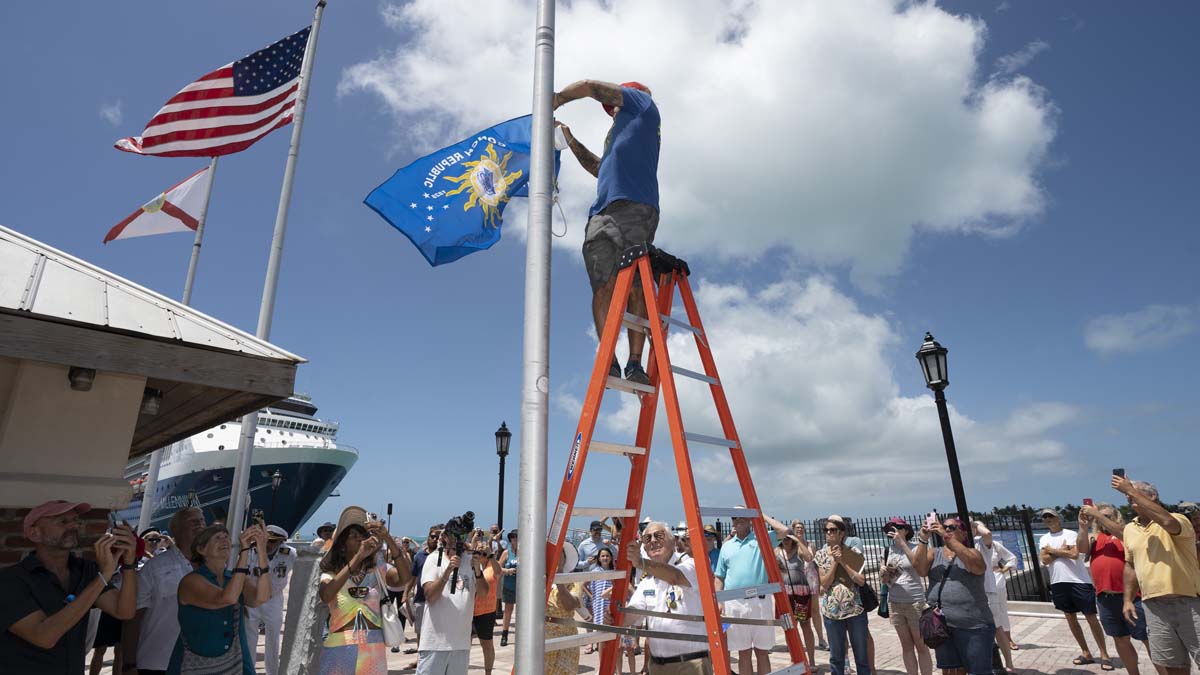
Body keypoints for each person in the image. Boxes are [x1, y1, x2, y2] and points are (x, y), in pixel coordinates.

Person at [553, 79, 661, 385]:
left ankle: (635, 363)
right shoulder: (618, 134)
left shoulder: (644, 106)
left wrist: (557, 98)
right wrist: (570, 140)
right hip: (602, 212)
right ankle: (608, 359)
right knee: (603, 285)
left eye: (614, 103)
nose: (611, 109)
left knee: (636, 286)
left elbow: (589, 85)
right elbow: (599, 169)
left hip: (635, 208)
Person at [0, 500, 138, 674]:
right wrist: (103, 577)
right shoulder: (10, 581)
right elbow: (44, 636)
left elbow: (124, 611)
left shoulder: (85, 571)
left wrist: (129, 562)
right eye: (63, 521)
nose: (73, 526)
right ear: (35, 534)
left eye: (76, 520)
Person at [1114, 475, 1200, 674]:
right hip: (1154, 606)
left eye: (1134, 495)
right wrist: (1127, 600)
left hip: (1189, 603)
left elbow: (1167, 522)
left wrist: (1130, 489)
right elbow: (1130, 565)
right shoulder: (1129, 529)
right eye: (1128, 498)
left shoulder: (1179, 520)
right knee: (1172, 665)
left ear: (1153, 496)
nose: (1131, 499)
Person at [167, 523, 270, 673]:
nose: (224, 541)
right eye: (217, 538)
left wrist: (261, 551)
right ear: (201, 549)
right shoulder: (191, 581)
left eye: (226, 537)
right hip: (195, 666)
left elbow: (260, 598)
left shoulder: (234, 578)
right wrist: (245, 552)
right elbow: (226, 598)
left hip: (236, 664)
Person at [1078, 503, 1162, 675]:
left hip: (1133, 597)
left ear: (1117, 516)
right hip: (1106, 598)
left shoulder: (1129, 531)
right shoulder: (1096, 538)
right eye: (1101, 516)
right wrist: (1083, 527)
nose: (1103, 519)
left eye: (1108, 516)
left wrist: (1098, 515)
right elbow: (1081, 549)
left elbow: (1122, 534)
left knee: (1148, 639)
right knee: (1120, 639)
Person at [623, 522, 713, 674]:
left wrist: (640, 562)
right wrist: (613, 617)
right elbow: (631, 615)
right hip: (658, 667)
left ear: (673, 541)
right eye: (647, 538)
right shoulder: (647, 581)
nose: (653, 541)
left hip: (691, 664)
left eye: (659, 535)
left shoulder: (693, 564)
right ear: (644, 547)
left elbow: (675, 576)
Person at [126, 506, 206, 675]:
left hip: (201, 663)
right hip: (158, 662)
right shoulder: (155, 567)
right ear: (176, 530)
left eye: (202, 520)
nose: (200, 524)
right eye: (193, 521)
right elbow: (133, 618)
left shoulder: (214, 567)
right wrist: (128, 663)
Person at [912, 517, 994, 675]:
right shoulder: (934, 553)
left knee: (980, 671)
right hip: (942, 625)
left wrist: (945, 536)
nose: (947, 529)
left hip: (974, 626)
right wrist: (923, 539)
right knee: (951, 670)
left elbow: (976, 567)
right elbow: (920, 570)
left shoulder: (973, 553)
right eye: (945, 527)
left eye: (952, 527)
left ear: (964, 534)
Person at [316, 507, 392, 675]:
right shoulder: (330, 575)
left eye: (363, 536)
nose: (360, 540)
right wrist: (359, 556)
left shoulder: (377, 570)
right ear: (342, 545)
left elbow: (404, 578)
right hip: (339, 646)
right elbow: (326, 595)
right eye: (354, 536)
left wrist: (387, 538)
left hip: (373, 647)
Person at [714, 512, 792, 675]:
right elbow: (719, 577)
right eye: (734, 516)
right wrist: (719, 602)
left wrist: (759, 514)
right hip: (734, 604)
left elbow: (785, 530)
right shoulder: (727, 546)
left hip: (760, 602)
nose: (738, 519)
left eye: (742, 515)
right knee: (743, 653)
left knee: (762, 652)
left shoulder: (762, 539)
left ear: (749, 518)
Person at [1037, 507, 1111, 667]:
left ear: (1059, 518)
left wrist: (1052, 551)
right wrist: (1061, 551)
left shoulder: (1070, 534)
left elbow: (1074, 554)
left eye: (1051, 516)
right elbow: (1044, 560)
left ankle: (1104, 654)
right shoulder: (1043, 539)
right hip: (1058, 582)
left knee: (1091, 617)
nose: (1048, 519)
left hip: (1079, 581)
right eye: (1045, 517)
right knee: (1070, 617)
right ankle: (1086, 652)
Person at [417, 524, 486, 675]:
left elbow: (483, 592)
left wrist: (478, 572)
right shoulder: (433, 559)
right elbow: (429, 595)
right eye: (454, 536)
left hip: (461, 644)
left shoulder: (470, 561)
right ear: (445, 538)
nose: (457, 540)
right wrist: (447, 571)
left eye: (461, 536)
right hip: (435, 644)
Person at [815, 514, 871, 675]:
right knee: (836, 658)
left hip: (855, 611)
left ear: (841, 534)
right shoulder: (820, 554)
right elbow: (824, 584)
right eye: (826, 530)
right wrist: (834, 562)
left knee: (862, 657)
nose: (828, 533)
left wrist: (843, 562)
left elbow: (861, 581)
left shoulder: (853, 552)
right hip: (832, 613)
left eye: (832, 530)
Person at [882, 518, 933, 675]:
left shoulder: (917, 547)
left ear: (905, 530)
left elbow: (919, 568)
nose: (894, 529)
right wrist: (884, 574)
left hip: (914, 601)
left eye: (897, 527)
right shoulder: (887, 550)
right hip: (895, 602)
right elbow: (885, 580)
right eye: (891, 527)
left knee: (921, 645)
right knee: (906, 645)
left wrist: (902, 543)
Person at [247, 525, 297, 675]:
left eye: (273, 542)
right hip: (253, 599)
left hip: (273, 600)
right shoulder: (250, 552)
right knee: (250, 638)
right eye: (266, 541)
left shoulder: (289, 554)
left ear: (281, 541)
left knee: (273, 639)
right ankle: (249, 671)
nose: (269, 545)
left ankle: (273, 672)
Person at [777, 521, 817, 667]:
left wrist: (797, 540)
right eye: (784, 538)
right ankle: (795, 659)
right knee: (789, 627)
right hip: (786, 595)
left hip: (801, 595)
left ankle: (811, 661)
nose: (786, 541)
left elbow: (808, 558)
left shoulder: (798, 550)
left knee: (805, 626)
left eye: (789, 538)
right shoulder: (777, 551)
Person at [545, 545, 582, 675]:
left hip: (566, 631)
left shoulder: (572, 581)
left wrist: (559, 574)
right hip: (545, 632)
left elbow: (570, 605)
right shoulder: (539, 579)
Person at [408, 523, 443, 659]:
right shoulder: (419, 556)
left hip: (439, 600)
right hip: (421, 599)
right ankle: (420, 658)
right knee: (420, 632)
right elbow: (413, 576)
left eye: (438, 537)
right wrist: (406, 593)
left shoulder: (444, 556)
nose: (435, 539)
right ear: (428, 538)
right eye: (433, 536)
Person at [470, 531, 502, 675]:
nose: (480, 555)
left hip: (486, 610)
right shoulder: (471, 563)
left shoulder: (491, 566)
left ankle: (488, 673)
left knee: (487, 644)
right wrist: (473, 543)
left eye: (483, 554)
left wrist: (490, 554)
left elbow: (499, 571)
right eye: (479, 553)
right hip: (469, 609)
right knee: (465, 643)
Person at [987, 533, 1019, 653]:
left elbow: (1011, 558)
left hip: (996, 580)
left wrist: (1003, 569)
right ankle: (990, 640)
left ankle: (1007, 638)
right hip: (979, 581)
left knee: (1001, 610)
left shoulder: (994, 545)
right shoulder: (969, 544)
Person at [585, 548, 617, 656]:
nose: (605, 558)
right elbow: (583, 585)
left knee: (611, 635)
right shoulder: (595, 572)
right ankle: (601, 667)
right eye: (603, 556)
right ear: (599, 558)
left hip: (610, 606)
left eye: (607, 555)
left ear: (611, 557)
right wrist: (592, 597)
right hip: (598, 606)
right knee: (600, 637)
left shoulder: (614, 572)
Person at [499, 530, 518, 647]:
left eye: (517, 538)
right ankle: (504, 634)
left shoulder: (526, 552)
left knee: (523, 612)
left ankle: (523, 635)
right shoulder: (506, 553)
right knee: (508, 611)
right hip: (509, 585)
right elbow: (497, 568)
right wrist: (507, 571)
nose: (516, 541)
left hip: (523, 587)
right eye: (514, 538)